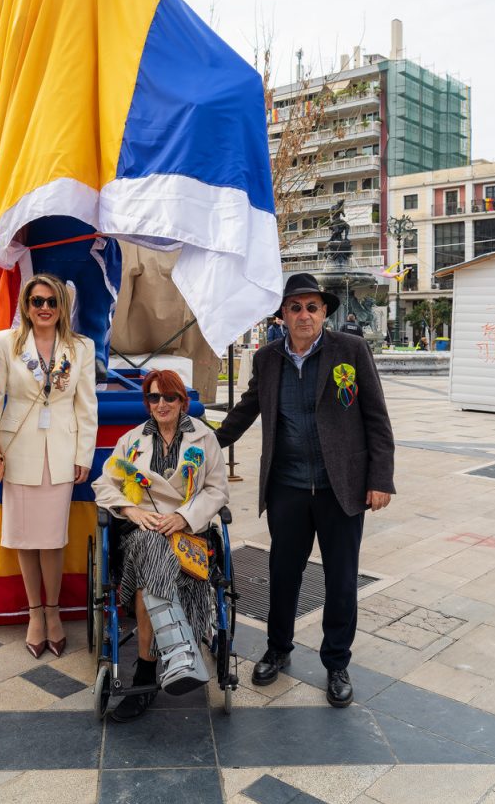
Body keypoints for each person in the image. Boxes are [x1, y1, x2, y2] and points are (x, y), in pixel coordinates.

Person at [216, 272, 394, 707]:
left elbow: (376, 418)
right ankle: (278, 648)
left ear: (324, 312)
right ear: (282, 315)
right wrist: (204, 440)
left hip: (341, 487)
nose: (304, 314)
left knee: (340, 579)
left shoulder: (349, 351)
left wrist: (379, 479)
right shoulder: (267, 359)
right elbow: (247, 409)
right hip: (288, 487)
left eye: (312, 307)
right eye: (295, 307)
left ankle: (336, 663)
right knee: (283, 573)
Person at [93, 369, 229, 721]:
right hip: (142, 530)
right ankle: (180, 652)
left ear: (182, 401)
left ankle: (148, 670)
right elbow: (104, 485)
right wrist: (130, 510)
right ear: (147, 402)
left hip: (188, 533)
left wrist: (184, 517)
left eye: (169, 397)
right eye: (154, 397)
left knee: (148, 574)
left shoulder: (204, 438)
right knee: (150, 541)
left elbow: (216, 490)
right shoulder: (132, 441)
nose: (162, 404)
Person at [0, 274, 97, 659]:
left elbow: (87, 405)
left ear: (61, 306)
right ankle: (35, 613)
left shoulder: (81, 347)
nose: (45, 308)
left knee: (52, 537)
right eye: (37, 301)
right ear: (26, 305)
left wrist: (84, 453)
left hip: (62, 452)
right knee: (23, 536)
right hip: (18, 448)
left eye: (51, 301)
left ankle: (53, 612)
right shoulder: (3, 343)